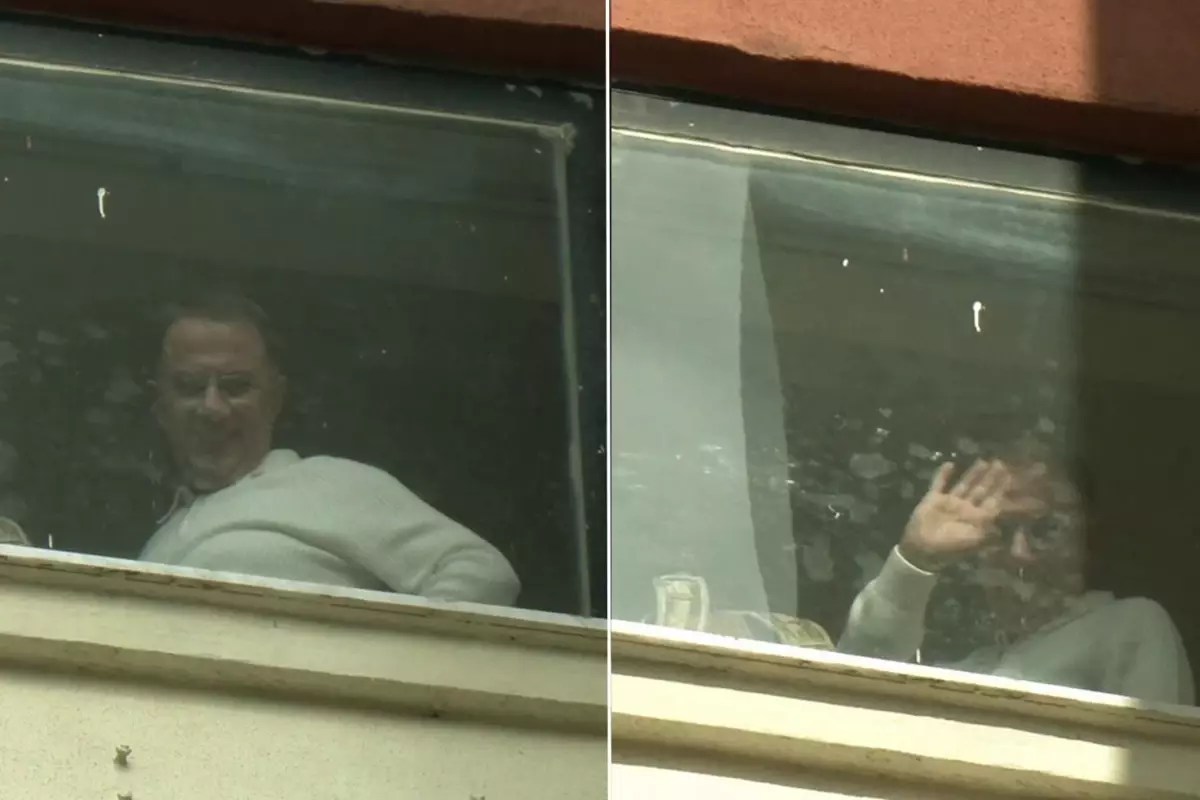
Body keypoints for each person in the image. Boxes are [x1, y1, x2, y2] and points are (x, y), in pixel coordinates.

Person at [137, 292, 520, 605]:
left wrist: (393, 664)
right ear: (161, 406)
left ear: (275, 399)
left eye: (235, 387)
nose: (212, 408)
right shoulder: (157, 544)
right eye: (190, 387)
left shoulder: (330, 482)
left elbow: (481, 572)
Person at [838, 443, 1193, 704]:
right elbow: (849, 693)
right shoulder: (967, 665)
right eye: (1000, 531)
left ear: (1087, 542)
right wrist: (915, 560)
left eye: (1046, 529)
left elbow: (1153, 764)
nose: (1019, 552)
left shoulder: (1128, 625)